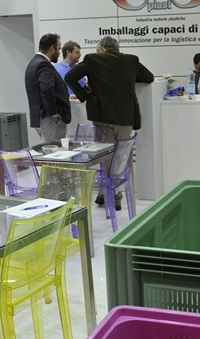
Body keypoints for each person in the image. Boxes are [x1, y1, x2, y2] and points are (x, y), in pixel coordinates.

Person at [65, 36, 154, 210]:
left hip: (102, 117)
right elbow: (149, 77)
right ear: (117, 48)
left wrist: (86, 94)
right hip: (126, 118)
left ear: (102, 48)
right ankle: (109, 193)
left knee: (106, 158)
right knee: (121, 158)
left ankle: (112, 195)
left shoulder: (93, 59)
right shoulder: (131, 61)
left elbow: (70, 76)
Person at [25, 33, 71, 142]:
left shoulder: (33, 63)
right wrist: (53, 112)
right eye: (58, 49)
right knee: (54, 150)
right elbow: (46, 89)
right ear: (52, 48)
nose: (59, 53)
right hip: (50, 119)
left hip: (42, 117)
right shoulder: (43, 64)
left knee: (49, 149)